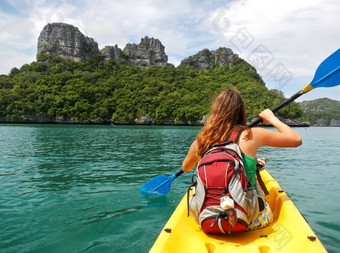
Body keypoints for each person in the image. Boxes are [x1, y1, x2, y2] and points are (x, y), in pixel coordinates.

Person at [182, 89, 302, 230]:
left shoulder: (201, 140)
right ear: (241, 112)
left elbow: (186, 168)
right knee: (255, 184)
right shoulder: (251, 135)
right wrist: (271, 118)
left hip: (208, 219)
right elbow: (296, 140)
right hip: (249, 220)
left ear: (214, 112)